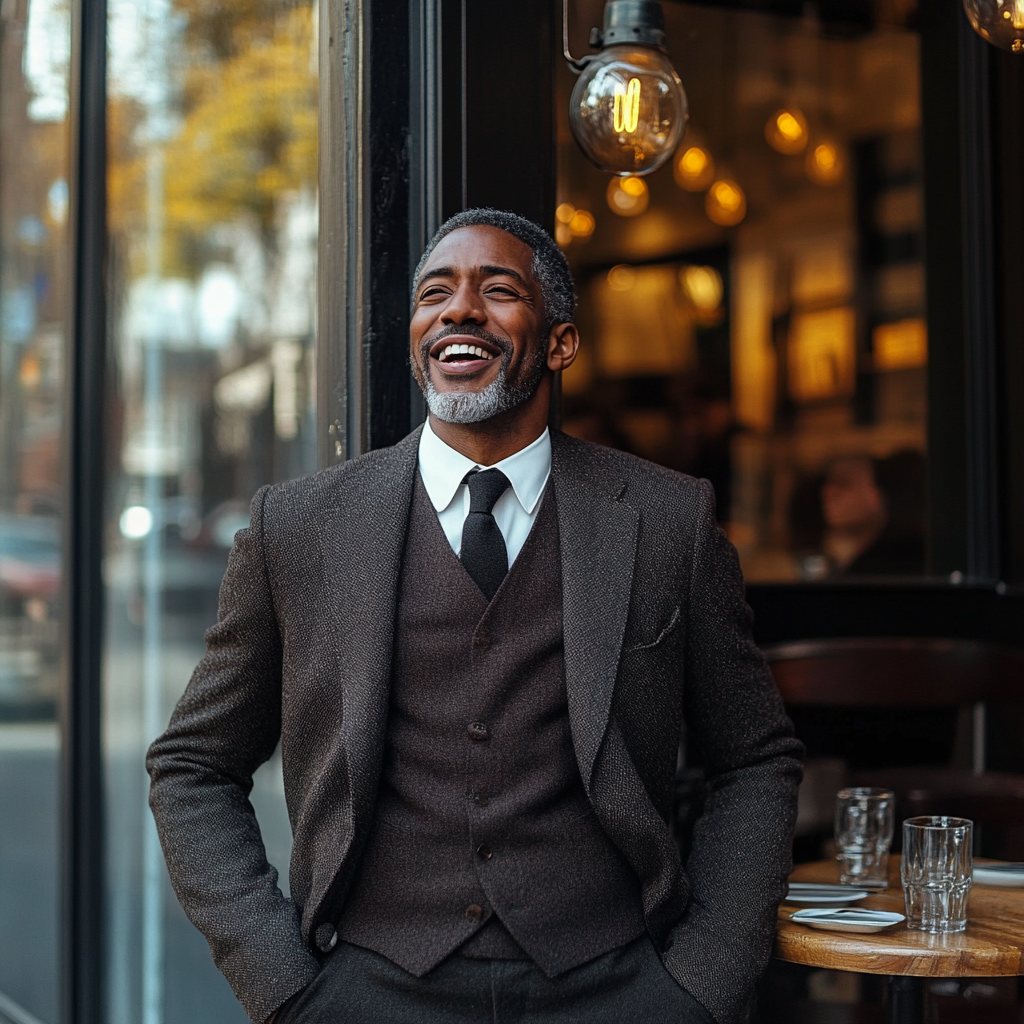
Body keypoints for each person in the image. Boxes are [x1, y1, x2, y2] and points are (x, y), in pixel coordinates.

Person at [147, 209, 803, 1024]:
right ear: (419, 337)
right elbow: (192, 765)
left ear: (560, 343)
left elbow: (755, 757)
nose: (459, 310)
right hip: (367, 990)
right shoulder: (302, 528)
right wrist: (281, 985)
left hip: (614, 988)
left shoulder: (668, 522)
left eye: (497, 291)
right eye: (435, 294)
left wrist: (702, 983)